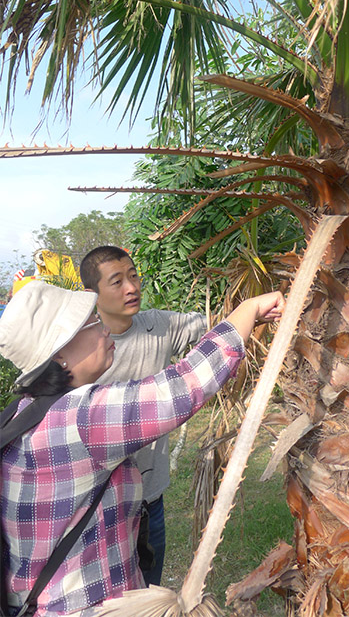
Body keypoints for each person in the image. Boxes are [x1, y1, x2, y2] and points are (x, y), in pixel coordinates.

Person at [0, 280, 284, 617]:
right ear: (59, 354)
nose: (105, 329)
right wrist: (249, 308)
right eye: (92, 322)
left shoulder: (22, 414)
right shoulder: (77, 418)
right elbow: (183, 385)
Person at [79, 246, 206, 586]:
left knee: (149, 590)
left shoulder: (158, 325)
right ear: (92, 294)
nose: (131, 287)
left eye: (133, 276)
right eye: (117, 281)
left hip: (150, 498)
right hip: (97, 505)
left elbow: (215, 322)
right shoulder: (81, 348)